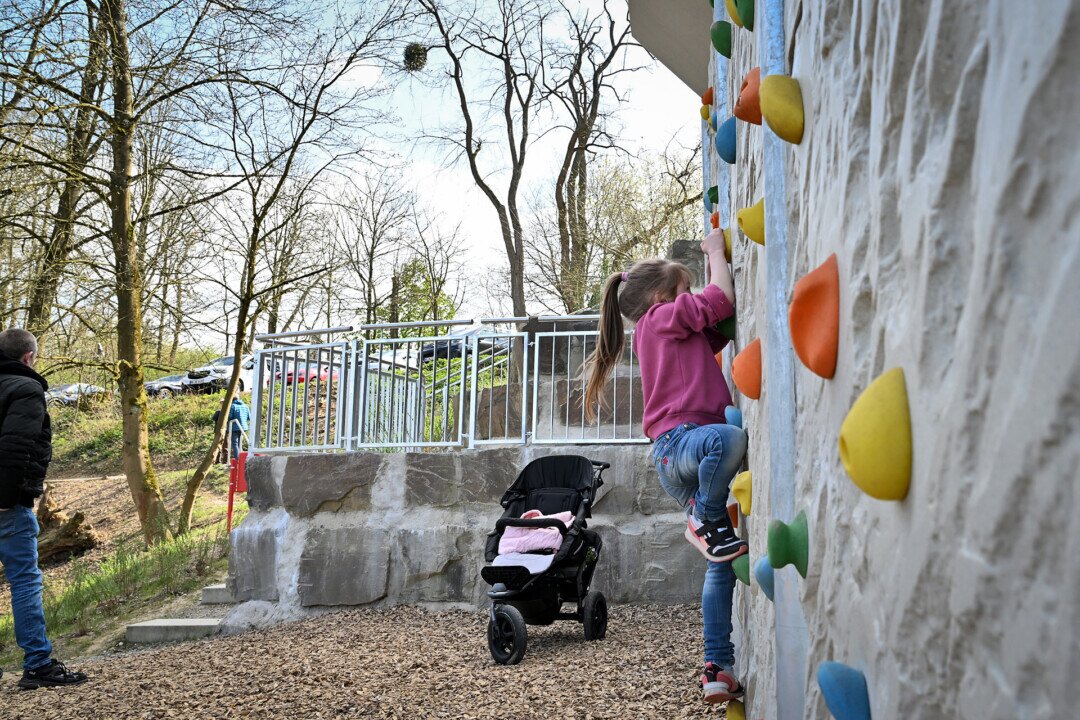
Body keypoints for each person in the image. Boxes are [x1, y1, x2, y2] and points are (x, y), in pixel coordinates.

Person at [583, 228, 747, 705]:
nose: (688, 299)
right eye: (682, 292)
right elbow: (718, 300)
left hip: (680, 456)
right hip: (685, 445)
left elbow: (718, 319)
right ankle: (703, 518)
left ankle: (718, 666)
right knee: (729, 436)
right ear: (660, 299)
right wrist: (715, 252)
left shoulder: (664, 330)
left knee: (721, 560)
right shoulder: (659, 321)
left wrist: (713, 305)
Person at [0, 328, 88, 688]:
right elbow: (15, 447)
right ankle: (37, 663)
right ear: (28, 357)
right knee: (24, 581)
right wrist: (8, 499)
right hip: (7, 505)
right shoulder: (26, 388)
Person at [225, 395, 250, 462]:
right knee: (239, 442)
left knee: (235, 443)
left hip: (234, 427)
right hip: (243, 427)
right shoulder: (245, 406)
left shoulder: (233, 406)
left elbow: (229, 417)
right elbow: (248, 417)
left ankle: (238, 458)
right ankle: (241, 457)